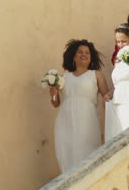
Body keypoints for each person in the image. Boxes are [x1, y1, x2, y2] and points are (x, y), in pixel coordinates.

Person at [49, 39, 110, 173]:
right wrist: (53, 92)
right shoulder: (64, 76)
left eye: (87, 52)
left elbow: (107, 97)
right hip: (65, 121)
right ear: (73, 56)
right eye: (80, 52)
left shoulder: (96, 75)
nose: (84, 54)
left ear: (91, 57)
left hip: (87, 121)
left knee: (87, 152)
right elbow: (55, 103)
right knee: (66, 153)